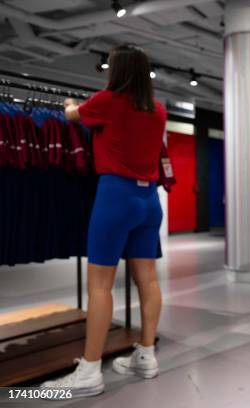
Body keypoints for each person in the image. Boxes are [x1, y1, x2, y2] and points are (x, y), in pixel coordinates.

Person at [40, 44, 167, 398]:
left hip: (115, 196)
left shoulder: (107, 101)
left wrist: (68, 105)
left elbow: (72, 117)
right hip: (148, 199)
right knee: (148, 279)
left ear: (117, 71)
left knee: (99, 284)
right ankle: (146, 355)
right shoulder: (158, 110)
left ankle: (90, 370)